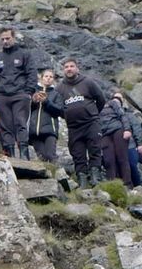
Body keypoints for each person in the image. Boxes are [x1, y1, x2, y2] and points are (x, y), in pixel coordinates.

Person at [0, 26, 37, 158]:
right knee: (5, 126)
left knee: (21, 123)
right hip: (2, 97)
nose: (5, 41)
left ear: (13, 37)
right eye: (2, 39)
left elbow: (32, 73)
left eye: (7, 38)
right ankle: (11, 156)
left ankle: (24, 155)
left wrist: (28, 92)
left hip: (20, 95)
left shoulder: (25, 54)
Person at [56, 58, 107, 187]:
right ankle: (82, 180)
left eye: (71, 66)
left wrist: (93, 113)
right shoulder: (60, 87)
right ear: (63, 70)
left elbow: (101, 99)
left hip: (91, 123)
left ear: (77, 68)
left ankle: (96, 177)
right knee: (77, 154)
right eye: (66, 67)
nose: (69, 69)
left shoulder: (88, 82)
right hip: (73, 127)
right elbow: (58, 107)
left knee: (95, 149)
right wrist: (67, 115)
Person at [27, 68, 64, 163]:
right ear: (41, 78)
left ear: (53, 80)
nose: (48, 78)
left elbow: (59, 110)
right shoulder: (33, 91)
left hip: (50, 131)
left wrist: (46, 102)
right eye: (46, 76)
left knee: (51, 155)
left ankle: (58, 175)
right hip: (34, 131)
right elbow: (25, 108)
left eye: (51, 77)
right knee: (42, 157)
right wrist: (34, 102)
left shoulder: (56, 94)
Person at [97, 91, 134, 185]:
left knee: (122, 157)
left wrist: (127, 129)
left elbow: (122, 115)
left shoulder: (112, 103)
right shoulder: (94, 107)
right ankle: (113, 184)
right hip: (104, 133)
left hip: (117, 129)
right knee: (108, 160)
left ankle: (127, 184)